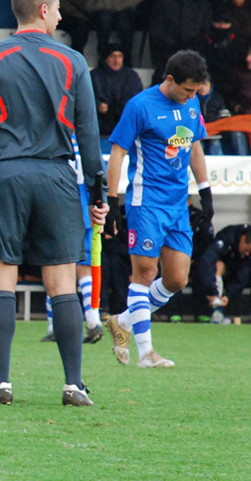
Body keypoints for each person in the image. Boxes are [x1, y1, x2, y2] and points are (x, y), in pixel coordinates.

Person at [0, 0, 106, 406]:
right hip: (56, 174)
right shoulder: (74, 61)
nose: (59, 15)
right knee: (61, 281)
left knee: (0, 277)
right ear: (42, 10)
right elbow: (90, 137)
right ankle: (74, 383)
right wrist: (99, 194)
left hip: (3, 173)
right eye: (56, 8)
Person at [104, 49, 213, 369]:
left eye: (196, 91)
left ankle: (123, 321)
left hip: (178, 203)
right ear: (169, 79)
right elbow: (117, 152)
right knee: (145, 273)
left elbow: (194, 145)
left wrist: (205, 192)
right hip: (146, 201)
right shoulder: (140, 106)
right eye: (187, 90)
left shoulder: (191, 104)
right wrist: (112, 200)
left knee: (177, 279)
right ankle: (146, 353)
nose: (192, 96)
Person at [41, 135, 105, 345]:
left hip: (57, 207)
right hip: (84, 209)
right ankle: (93, 320)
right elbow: (99, 173)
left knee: (54, 264)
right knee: (85, 267)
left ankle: (54, 325)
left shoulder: (49, 136)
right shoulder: (86, 139)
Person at [193, 224, 251, 324]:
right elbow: (207, 261)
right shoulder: (227, 236)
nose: (247, 254)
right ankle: (217, 309)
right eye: (246, 250)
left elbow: (243, 275)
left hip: (240, 274)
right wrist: (212, 291)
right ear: (243, 238)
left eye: (250, 252)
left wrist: (228, 295)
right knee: (218, 266)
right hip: (224, 271)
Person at [149, 0, 212, 82]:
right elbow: (157, 30)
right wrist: (173, 46)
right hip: (167, 53)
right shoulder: (162, 5)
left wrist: (193, 47)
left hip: (195, 53)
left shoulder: (202, 5)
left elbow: (205, 31)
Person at [91, 43, 143, 137]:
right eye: (112, 56)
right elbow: (87, 96)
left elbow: (135, 99)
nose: (116, 60)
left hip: (124, 122)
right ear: (106, 58)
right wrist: (98, 104)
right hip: (99, 124)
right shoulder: (94, 75)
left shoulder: (131, 76)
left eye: (119, 56)